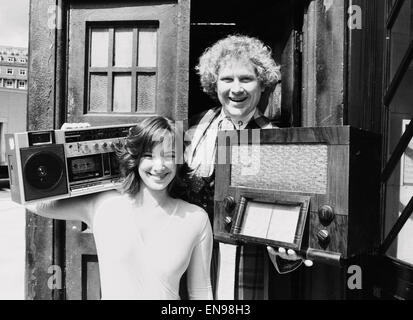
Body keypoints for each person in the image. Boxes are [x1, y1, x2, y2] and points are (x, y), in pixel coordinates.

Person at [27, 116, 213, 300]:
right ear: (135, 158)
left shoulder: (196, 218)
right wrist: (62, 149)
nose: (159, 166)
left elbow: (201, 292)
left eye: (169, 155)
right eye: (148, 155)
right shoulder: (104, 204)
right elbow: (32, 203)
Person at [185, 34, 311, 300]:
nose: (236, 88)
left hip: (250, 262)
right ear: (214, 83)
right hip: (195, 254)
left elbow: (290, 212)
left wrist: (288, 248)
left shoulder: (276, 139)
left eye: (246, 79)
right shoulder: (193, 129)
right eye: (227, 79)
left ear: (262, 83)